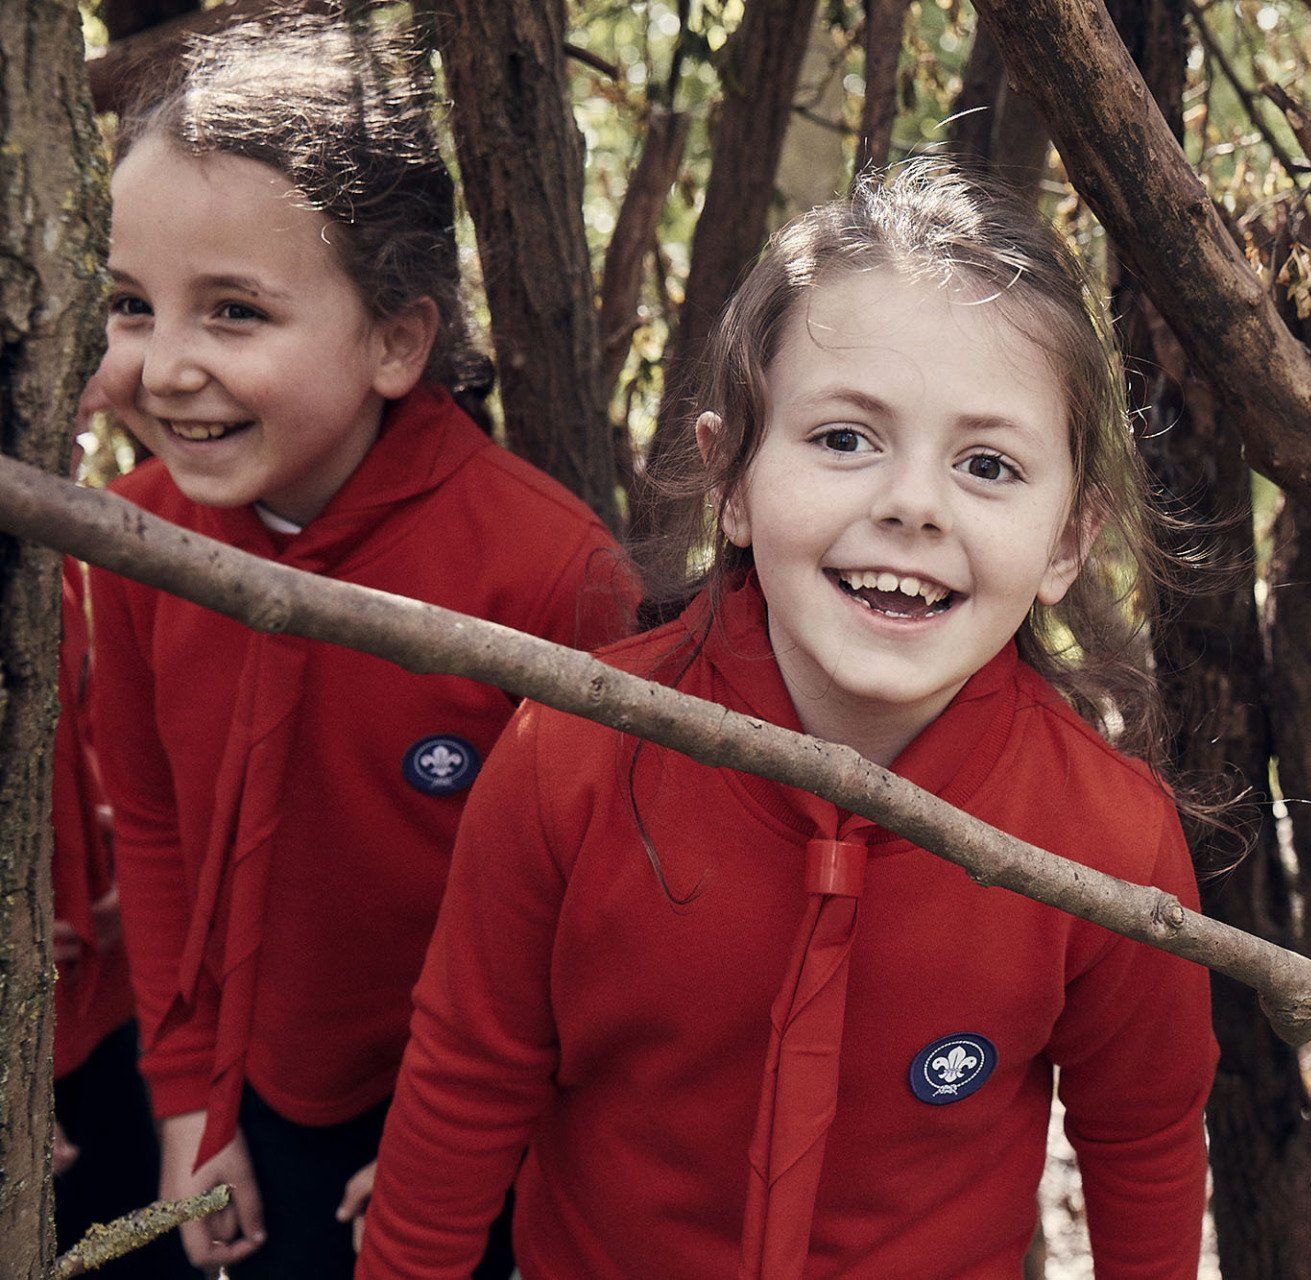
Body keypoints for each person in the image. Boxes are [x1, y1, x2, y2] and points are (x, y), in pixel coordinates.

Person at [358, 162, 1219, 1279]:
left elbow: (1142, 1135)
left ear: (1066, 542)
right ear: (732, 480)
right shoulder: (567, 760)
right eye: (846, 439)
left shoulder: (1107, 839)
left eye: (988, 464)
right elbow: (468, 1078)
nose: (912, 503)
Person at [80, 19, 625, 1278]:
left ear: (396, 338)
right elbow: (153, 824)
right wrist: (187, 1104)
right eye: (130, 305)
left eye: (233, 310)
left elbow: (602, 923)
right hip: (248, 1101)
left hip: (476, 1129)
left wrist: (484, 1140)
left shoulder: (546, 573)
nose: (166, 366)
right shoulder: (143, 543)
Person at [52, 562, 196, 1280]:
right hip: (30, 1053)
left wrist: (116, 869)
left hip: (100, 1003)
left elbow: (86, 720)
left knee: (144, 1253)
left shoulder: (56, 566)